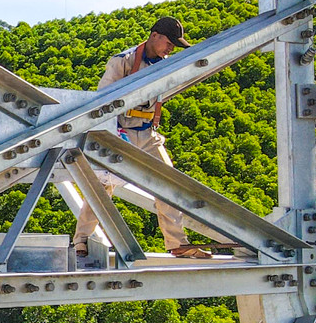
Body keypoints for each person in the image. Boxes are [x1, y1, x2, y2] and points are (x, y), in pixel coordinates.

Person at [71, 16, 211, 260]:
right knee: (102, 186)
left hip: (147, 132)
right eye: (169, 43)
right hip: (120, 131)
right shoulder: (123, 61)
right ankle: (81, 239)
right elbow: (102, 101)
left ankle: (177, 242)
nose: (170, 49)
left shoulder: (164, 65)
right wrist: (108, 135)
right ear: (154, 36)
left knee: (168, 182)